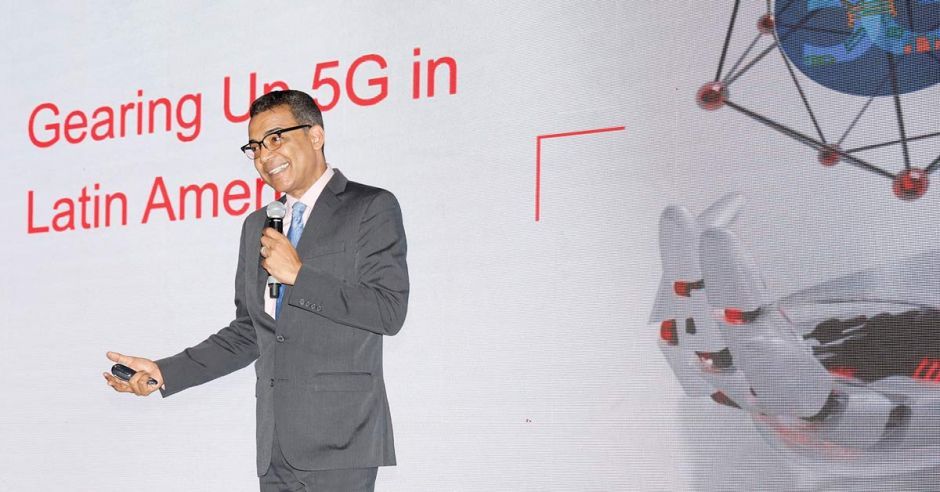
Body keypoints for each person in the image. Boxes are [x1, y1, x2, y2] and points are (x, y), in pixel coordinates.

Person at [103, 89, 409, 491]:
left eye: (276, 138)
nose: (265, 156)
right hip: (275, 444)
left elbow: (388, 311)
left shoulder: (368, 207)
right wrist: (165, 372)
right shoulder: (258, 225)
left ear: (316, 135)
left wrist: (300, 275)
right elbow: (250, 331)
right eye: (256, 147)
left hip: (342, 439)